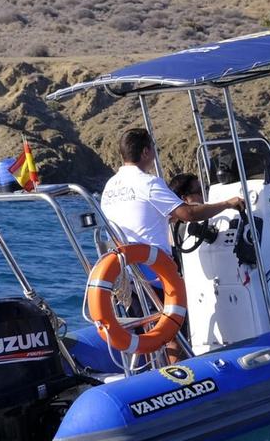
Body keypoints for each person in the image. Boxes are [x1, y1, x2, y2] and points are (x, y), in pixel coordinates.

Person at [102, 130, 244, 364]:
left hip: (125, 276)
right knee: (173, 329)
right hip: (153, 275)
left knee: (146, 330)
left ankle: (149, 378)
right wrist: (227, 204)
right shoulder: (148, 183)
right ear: (146, 152)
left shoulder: (111, 186)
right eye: (154, 149)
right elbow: (187, 213)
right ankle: (182, 378)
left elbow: (137, 219)